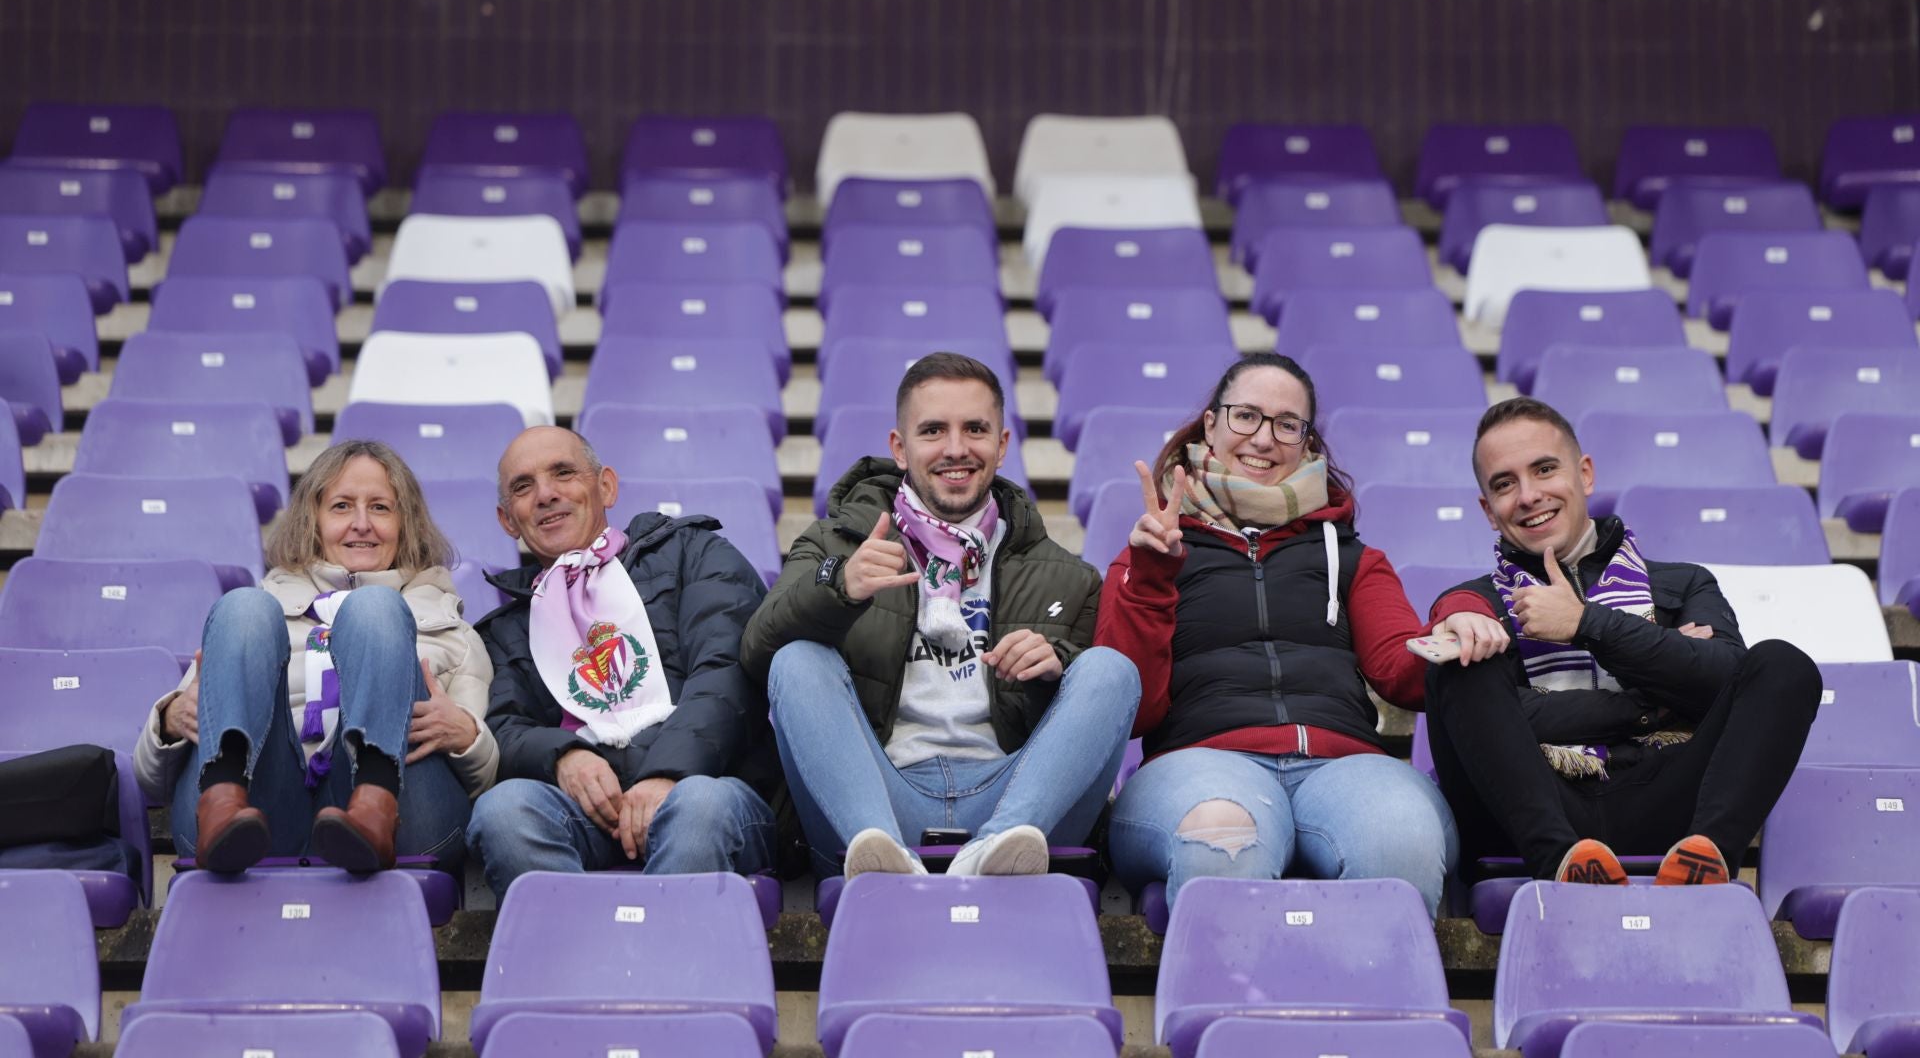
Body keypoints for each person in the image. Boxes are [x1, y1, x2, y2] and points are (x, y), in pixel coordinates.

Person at [1096, 352, 1474, 917]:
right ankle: (1229, 1008)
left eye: (1286, 424)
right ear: (1211, 425)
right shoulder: (1149, 552)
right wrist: (1151, 580)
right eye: (1246, 415)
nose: (1264, 438)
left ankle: (1369, 1005)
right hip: (1199, 764)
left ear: (1307, 442)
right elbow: (1132, 711)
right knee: (1223, 846)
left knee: (1401, 845)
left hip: (1344, 767)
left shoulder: (1351, 557)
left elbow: (1403, 672)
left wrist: (1464, 611)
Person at [742, 352, 1139, 878]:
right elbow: (758, 655)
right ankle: (882, 858)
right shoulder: (836, 543)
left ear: (1002, 445)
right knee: (798, 660)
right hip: (878, 794)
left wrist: (1055, 668)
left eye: (975, 429)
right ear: (899, 449)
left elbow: (1079, 729)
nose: (956, 449)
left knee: (1111, 671)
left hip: (1015, 805)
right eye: (933, 431)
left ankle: (993, 853)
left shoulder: (1066, 576)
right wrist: (840, 587)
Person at [1423, 397, 1823, 885]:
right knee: (1458, 662)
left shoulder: (1682, 584)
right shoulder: (1473, 607)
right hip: (1532, 813)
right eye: (1505, 484)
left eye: (1545, 469)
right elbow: (1495, 725)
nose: (1528, 495)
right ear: (1489, 510)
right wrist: (1652, 698)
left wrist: (1585, 622)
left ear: (1585, 474)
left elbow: (1723, 682)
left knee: (1783, 664)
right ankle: (1562, 866)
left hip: (1668, 795)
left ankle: (1707, 858)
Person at [134, 440, 495, 873]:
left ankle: (374, 808)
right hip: (263, 813)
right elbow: (151, 777)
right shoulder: (250, 623)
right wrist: (170, 720)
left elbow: (486, 781)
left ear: (407, 523)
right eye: (342, 506)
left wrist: (469, 738)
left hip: (408, 820)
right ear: (313, 520)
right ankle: (222, 803)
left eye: (380, 508)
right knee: (243, 605)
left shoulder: (450, 629)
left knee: (373, 608)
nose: (361, 524)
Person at [464, 426, 780, 900]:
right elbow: (503, 726)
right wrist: (562, 756)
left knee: (698, 807)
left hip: (706, 790)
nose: (546, 495)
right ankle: (579, 967)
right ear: (508, 520)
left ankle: (660, 972)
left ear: (606, 486)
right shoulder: (507, 628)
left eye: (563, 473)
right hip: (586, 812)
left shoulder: (693, 553)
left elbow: (726, 673)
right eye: (523, 487)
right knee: (504, 811)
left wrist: (666, 774)